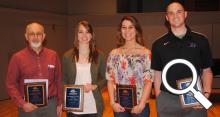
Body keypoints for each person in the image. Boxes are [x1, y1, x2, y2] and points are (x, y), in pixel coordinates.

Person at [151, 2, 213, 117]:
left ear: (185, 14)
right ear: (167, 17)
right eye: (171, 13)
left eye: (179, 12)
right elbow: (157, 74)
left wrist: (206, 93)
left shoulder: (201, 40)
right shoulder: (158, 44)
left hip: (194, 96)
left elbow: (206, 71)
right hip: (167, 99)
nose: (175, 16)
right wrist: (160, 98)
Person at [5, 22, 63, 117]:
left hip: (51, 105)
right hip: (28, 106)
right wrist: (22, 103)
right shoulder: (17, 57)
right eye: (32, 34)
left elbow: (58, 80)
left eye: (38, 34)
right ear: (26, 36)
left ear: (43, 36)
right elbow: (10, 84)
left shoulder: (53, 55)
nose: (35, 37)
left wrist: (60, 102)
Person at [106, 16, 153, 117]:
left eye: (131, 27)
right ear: (120, 30)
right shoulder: (113, 54)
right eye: (124, 27)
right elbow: (110, 80)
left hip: (140, 107)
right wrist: (112, 103)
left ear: (136, 30)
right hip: (119, 107)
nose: (127, 31)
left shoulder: (146, 53)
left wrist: (141, 105)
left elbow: (148, 82)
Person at [62, 20, 106, 117]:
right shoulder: (67, 56)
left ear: (91, 35)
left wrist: (95, 86)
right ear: (76, 35)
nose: (84, 35)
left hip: (93, 106)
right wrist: (65, 99)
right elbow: (63, 80)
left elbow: (105, 78)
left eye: (87, 32)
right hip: (74, 107)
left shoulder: (100, 56)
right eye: (81, 32)